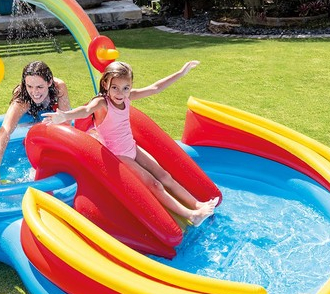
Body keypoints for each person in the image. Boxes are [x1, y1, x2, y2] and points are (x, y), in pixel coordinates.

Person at [43, 60, 218, 226]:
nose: (120, 93)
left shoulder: (128, 97)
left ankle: (197, 205)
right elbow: (86, 110)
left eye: (125, 88)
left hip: (132, 147)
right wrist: (64, 116)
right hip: (118, 155)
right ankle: (191, 215)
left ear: (131, 86)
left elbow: (155, 88)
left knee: (165, 176)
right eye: (115, 88)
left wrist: (181, 72)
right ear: (105, 84)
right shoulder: (102, 102)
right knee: (155, 184)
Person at [0, 61, 70, 166]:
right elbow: (5, 130)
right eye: (29, 86)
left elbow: (66, 122)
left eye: (40, 87)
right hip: (30, 113)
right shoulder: (22, 99)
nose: (34, 92)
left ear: (49, 82)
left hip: (49, 107)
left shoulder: (59, 87)